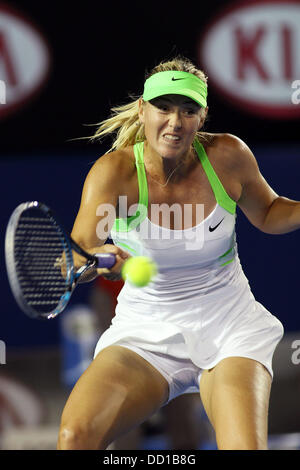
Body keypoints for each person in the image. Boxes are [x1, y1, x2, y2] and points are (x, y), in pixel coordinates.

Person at [57, 55, 292, 450]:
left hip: (230, 327)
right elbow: (77, 254)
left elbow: (268, 212)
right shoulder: (114, 173)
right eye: (163, 108)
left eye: (188, 110)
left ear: (202, 117)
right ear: (142, 110)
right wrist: (99, 259)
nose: (175, 121)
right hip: (146, 332)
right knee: (75, 436)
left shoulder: (228, 156)